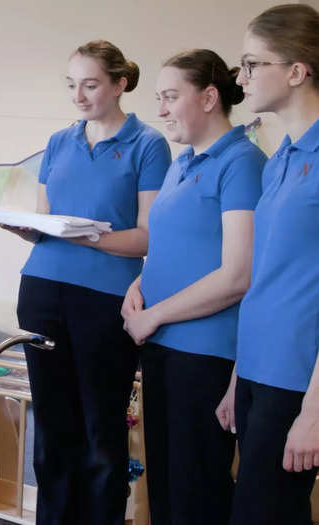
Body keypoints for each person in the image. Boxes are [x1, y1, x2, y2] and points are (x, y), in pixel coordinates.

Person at [4, 40, 171, 525]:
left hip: (104, 300)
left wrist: (89, 237)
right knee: (53, 426)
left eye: (91, 84)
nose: (79, 96)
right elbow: (46, 220)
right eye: (72, 85)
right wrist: (28, 229)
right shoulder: (59, 142)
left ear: (120, 84)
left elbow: (146, 237)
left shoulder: (148, 145)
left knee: (101, 428)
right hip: (41, 291)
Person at [121, 50, 265, 525]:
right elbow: (175, 248)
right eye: (158, 98)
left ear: (208, 97)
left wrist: (155, 314)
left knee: (194, 493)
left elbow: (236, 275)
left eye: (170, 96)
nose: (160, 109)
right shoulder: (182, 163)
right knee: (163, 489)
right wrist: (139, 284)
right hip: (161, 349)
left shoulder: (242, 162)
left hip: (203, 356)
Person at [227, 5, 319, 524]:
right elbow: (266, 278)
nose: (241, 79)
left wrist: (315, 410)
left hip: (300, 380)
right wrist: (239, 375)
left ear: (296, 70)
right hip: (259, 369)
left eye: (251, 64)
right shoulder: (280, 155)